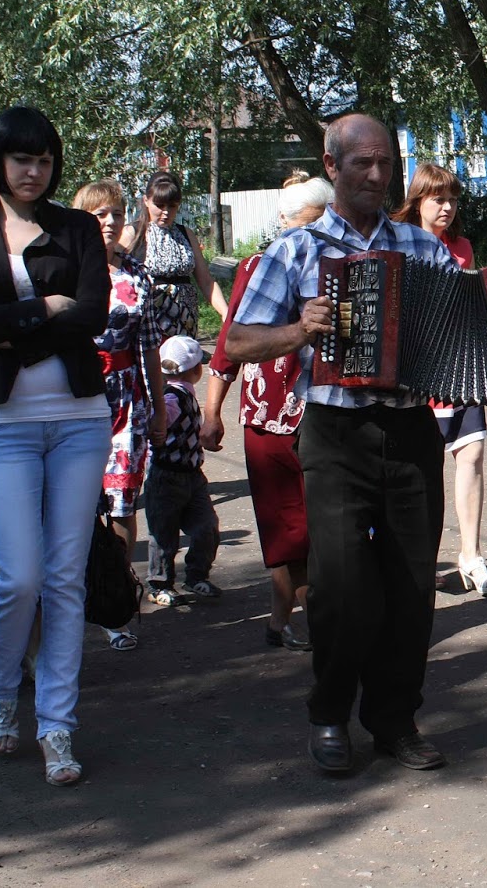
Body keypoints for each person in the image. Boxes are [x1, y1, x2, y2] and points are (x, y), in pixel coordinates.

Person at [226, 114, 487, 775]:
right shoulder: (296, 251)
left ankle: (395, 719)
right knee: (340, 587)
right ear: (331, 166)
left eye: (384, 164)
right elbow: (237, 342)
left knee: (409, 584)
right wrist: (299, 330)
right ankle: (331, 713)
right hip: (335, 433)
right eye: (362, 163)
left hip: (410, 429)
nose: (375, 175)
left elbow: (472, 324)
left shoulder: (420, 248)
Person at [0, 106, 112, 787]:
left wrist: (7, 320)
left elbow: (94, 314)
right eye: (21, 159)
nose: (34, 170)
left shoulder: (76, 227)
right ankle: (0, 684)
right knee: (21, 574)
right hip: (1, 423)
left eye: (44, 159)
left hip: (78, 417)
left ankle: (58, 728)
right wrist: (47, 308)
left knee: (66, 577)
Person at [204, 176, 334, 649]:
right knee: (288, 524)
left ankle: (283, 616)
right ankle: (307, 621)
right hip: (270, 414)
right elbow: (228, 345)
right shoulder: (259, 265)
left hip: (324, 411)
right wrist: (212, 410)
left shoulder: (348, 263)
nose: (312, 237)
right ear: (284, 223)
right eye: (306, 225)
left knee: (322, 525)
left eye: (323, 223)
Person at [391, 164, 487, 597]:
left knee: (471, 453)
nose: (448, 208)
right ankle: (424, 556)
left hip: (459, 368)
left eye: (453, 199)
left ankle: (471, 557)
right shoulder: (397, 244)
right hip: (418, 373)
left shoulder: (462, 247)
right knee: (424, 466)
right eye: (438, 199)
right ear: (417, 201)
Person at [72, 179, 167, 649]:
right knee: (74, 506)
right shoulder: (64, 272)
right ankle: (70, 603)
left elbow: (149, 349)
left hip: (127, 401)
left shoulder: (137, 275)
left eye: (115, 213)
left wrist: (157, 408)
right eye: (98, 214)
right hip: (74, 400)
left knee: (122, 504)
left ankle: (116, 602)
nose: (109, 222)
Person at [143, 335, 222, 603]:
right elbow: (157, 421)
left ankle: (196, 577)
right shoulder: (173, 398)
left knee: (205, 527)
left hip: (192, 476)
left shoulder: (184, 393)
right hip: (167, 475)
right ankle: (159, 583)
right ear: (196, 370)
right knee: (164, 533)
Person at [120, 172, 227, 340]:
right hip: (149, 324)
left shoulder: (186, 234)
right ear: (146, 201)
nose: (165, 212)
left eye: (172, 206)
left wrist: (224, 312)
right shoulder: (132, 234)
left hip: (186, 322)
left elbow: (206, 281)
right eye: (159, 205)